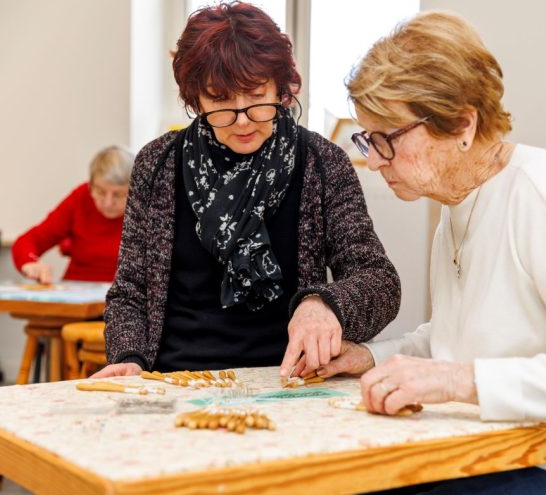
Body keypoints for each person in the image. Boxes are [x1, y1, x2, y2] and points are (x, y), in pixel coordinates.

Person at [317, 11, 546, 495]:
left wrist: (457, 383)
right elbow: (454, 340)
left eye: (388, 138)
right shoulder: (456, 205)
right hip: (518, 453)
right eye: (368, 139)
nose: (373, 160)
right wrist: (370, 357)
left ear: (463, 124)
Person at [93, 2, 399, 379]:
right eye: (220, 100)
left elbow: (379, 280)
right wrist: (130, 357)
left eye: (256, 96)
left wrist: (324, 303)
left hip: (288, 380)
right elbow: (131, 291)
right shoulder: (157, 165)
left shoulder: (322, 163)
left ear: (282, 89)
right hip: (173, 379)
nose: (242, 119)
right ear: (194, 99)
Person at [11, 146, 134, 284]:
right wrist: (30, 262)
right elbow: (29, 240)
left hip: (126, 298)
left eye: (118, 195)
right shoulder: (81, 197)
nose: (107, 202)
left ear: (136, 189)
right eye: (100, 192)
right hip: (76, 292)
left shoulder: (147, 208)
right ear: (91, 185)